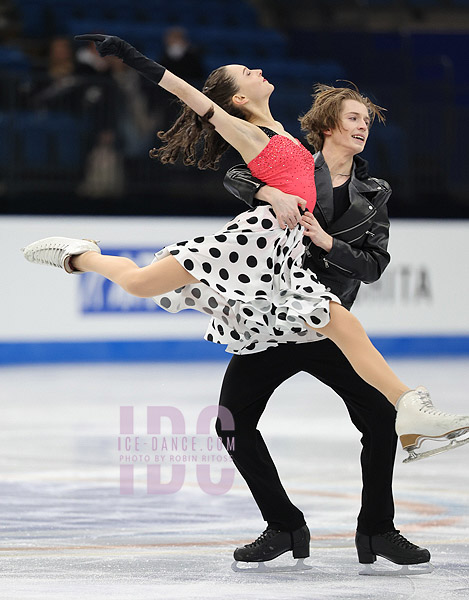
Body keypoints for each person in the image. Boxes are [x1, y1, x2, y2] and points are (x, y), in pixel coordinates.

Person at [22, 34, 469, 566]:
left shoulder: (315, 154)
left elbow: (367, 259)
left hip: (282, 266)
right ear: (237, 99)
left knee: (336, 320)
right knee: (145, 286)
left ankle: (409, 426)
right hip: (252, 244)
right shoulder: (249, 130)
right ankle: (79, 255)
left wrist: (305, 218)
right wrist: (133, 56)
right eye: (247, 72)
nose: (258, 69)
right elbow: (197, 106)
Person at [217, 83, 432, 573]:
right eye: (353, 118)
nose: (362, 128)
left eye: (366, 122)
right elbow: (233, 173)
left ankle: (377, 530)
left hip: (327, 325)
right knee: (231, 426)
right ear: (329, 125)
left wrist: (327, 242)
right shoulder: (291, 162)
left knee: (380, 421)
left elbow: (374, 266)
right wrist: (268, 191)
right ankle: (284, 525)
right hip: (270, 322)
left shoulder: (374, 194)